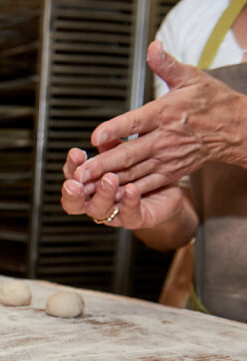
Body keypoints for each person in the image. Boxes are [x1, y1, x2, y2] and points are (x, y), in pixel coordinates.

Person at [61, 31, 247, 323]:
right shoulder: (193, 20)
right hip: (215, 325)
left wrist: (239, 128)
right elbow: (186, 223)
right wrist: (153, 207)